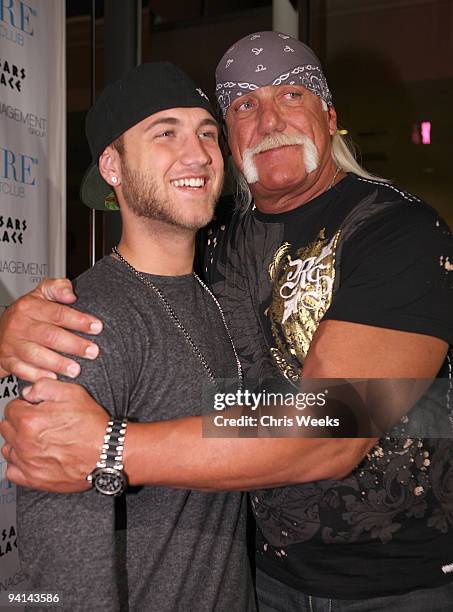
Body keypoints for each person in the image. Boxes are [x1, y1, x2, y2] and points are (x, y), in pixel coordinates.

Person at [1, 31, 453, 611]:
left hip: (395, 586)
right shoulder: (210, 246)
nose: (268, 121)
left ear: (330, 115)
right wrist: (13, 327)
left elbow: (333, 419)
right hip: (264, 577)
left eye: (290, 95)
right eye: (242, 106)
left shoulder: (399, 231)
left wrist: (114, 448)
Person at [0, 61, 256, 612]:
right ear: (112, 166)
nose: (199, 154)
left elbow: (328, 421)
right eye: (165, 132)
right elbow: (63, 567)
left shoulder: (220, 298)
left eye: (207, 133)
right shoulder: (85, 323)